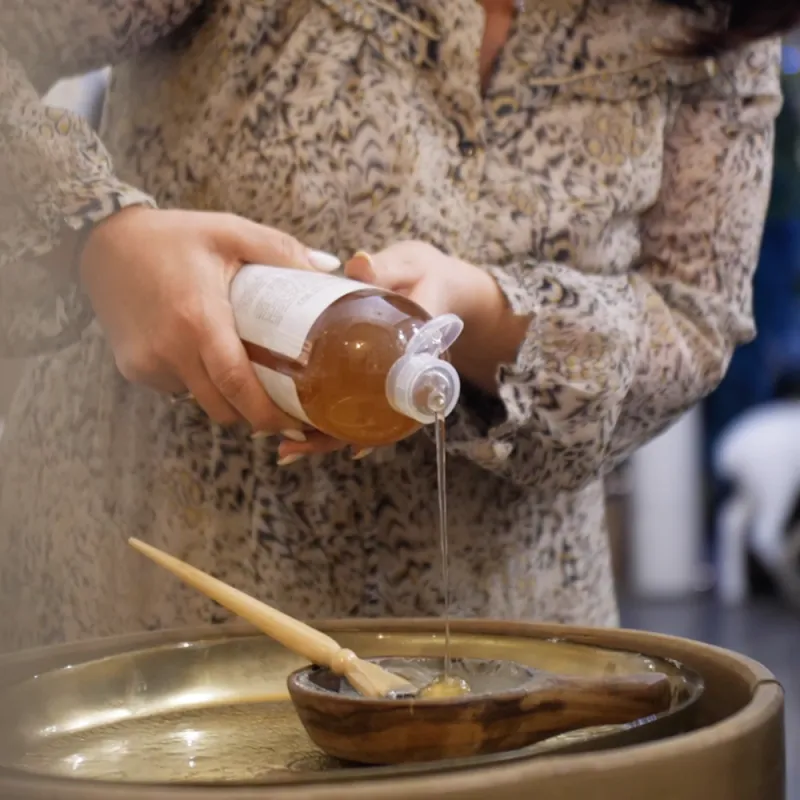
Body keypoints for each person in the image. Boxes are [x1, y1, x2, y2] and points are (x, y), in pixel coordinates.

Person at [0, 0, 796, 653]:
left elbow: (695, 317)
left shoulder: (716, 24)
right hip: (150, 589)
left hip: (503, 637)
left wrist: (486, 313)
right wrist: (95, 233)